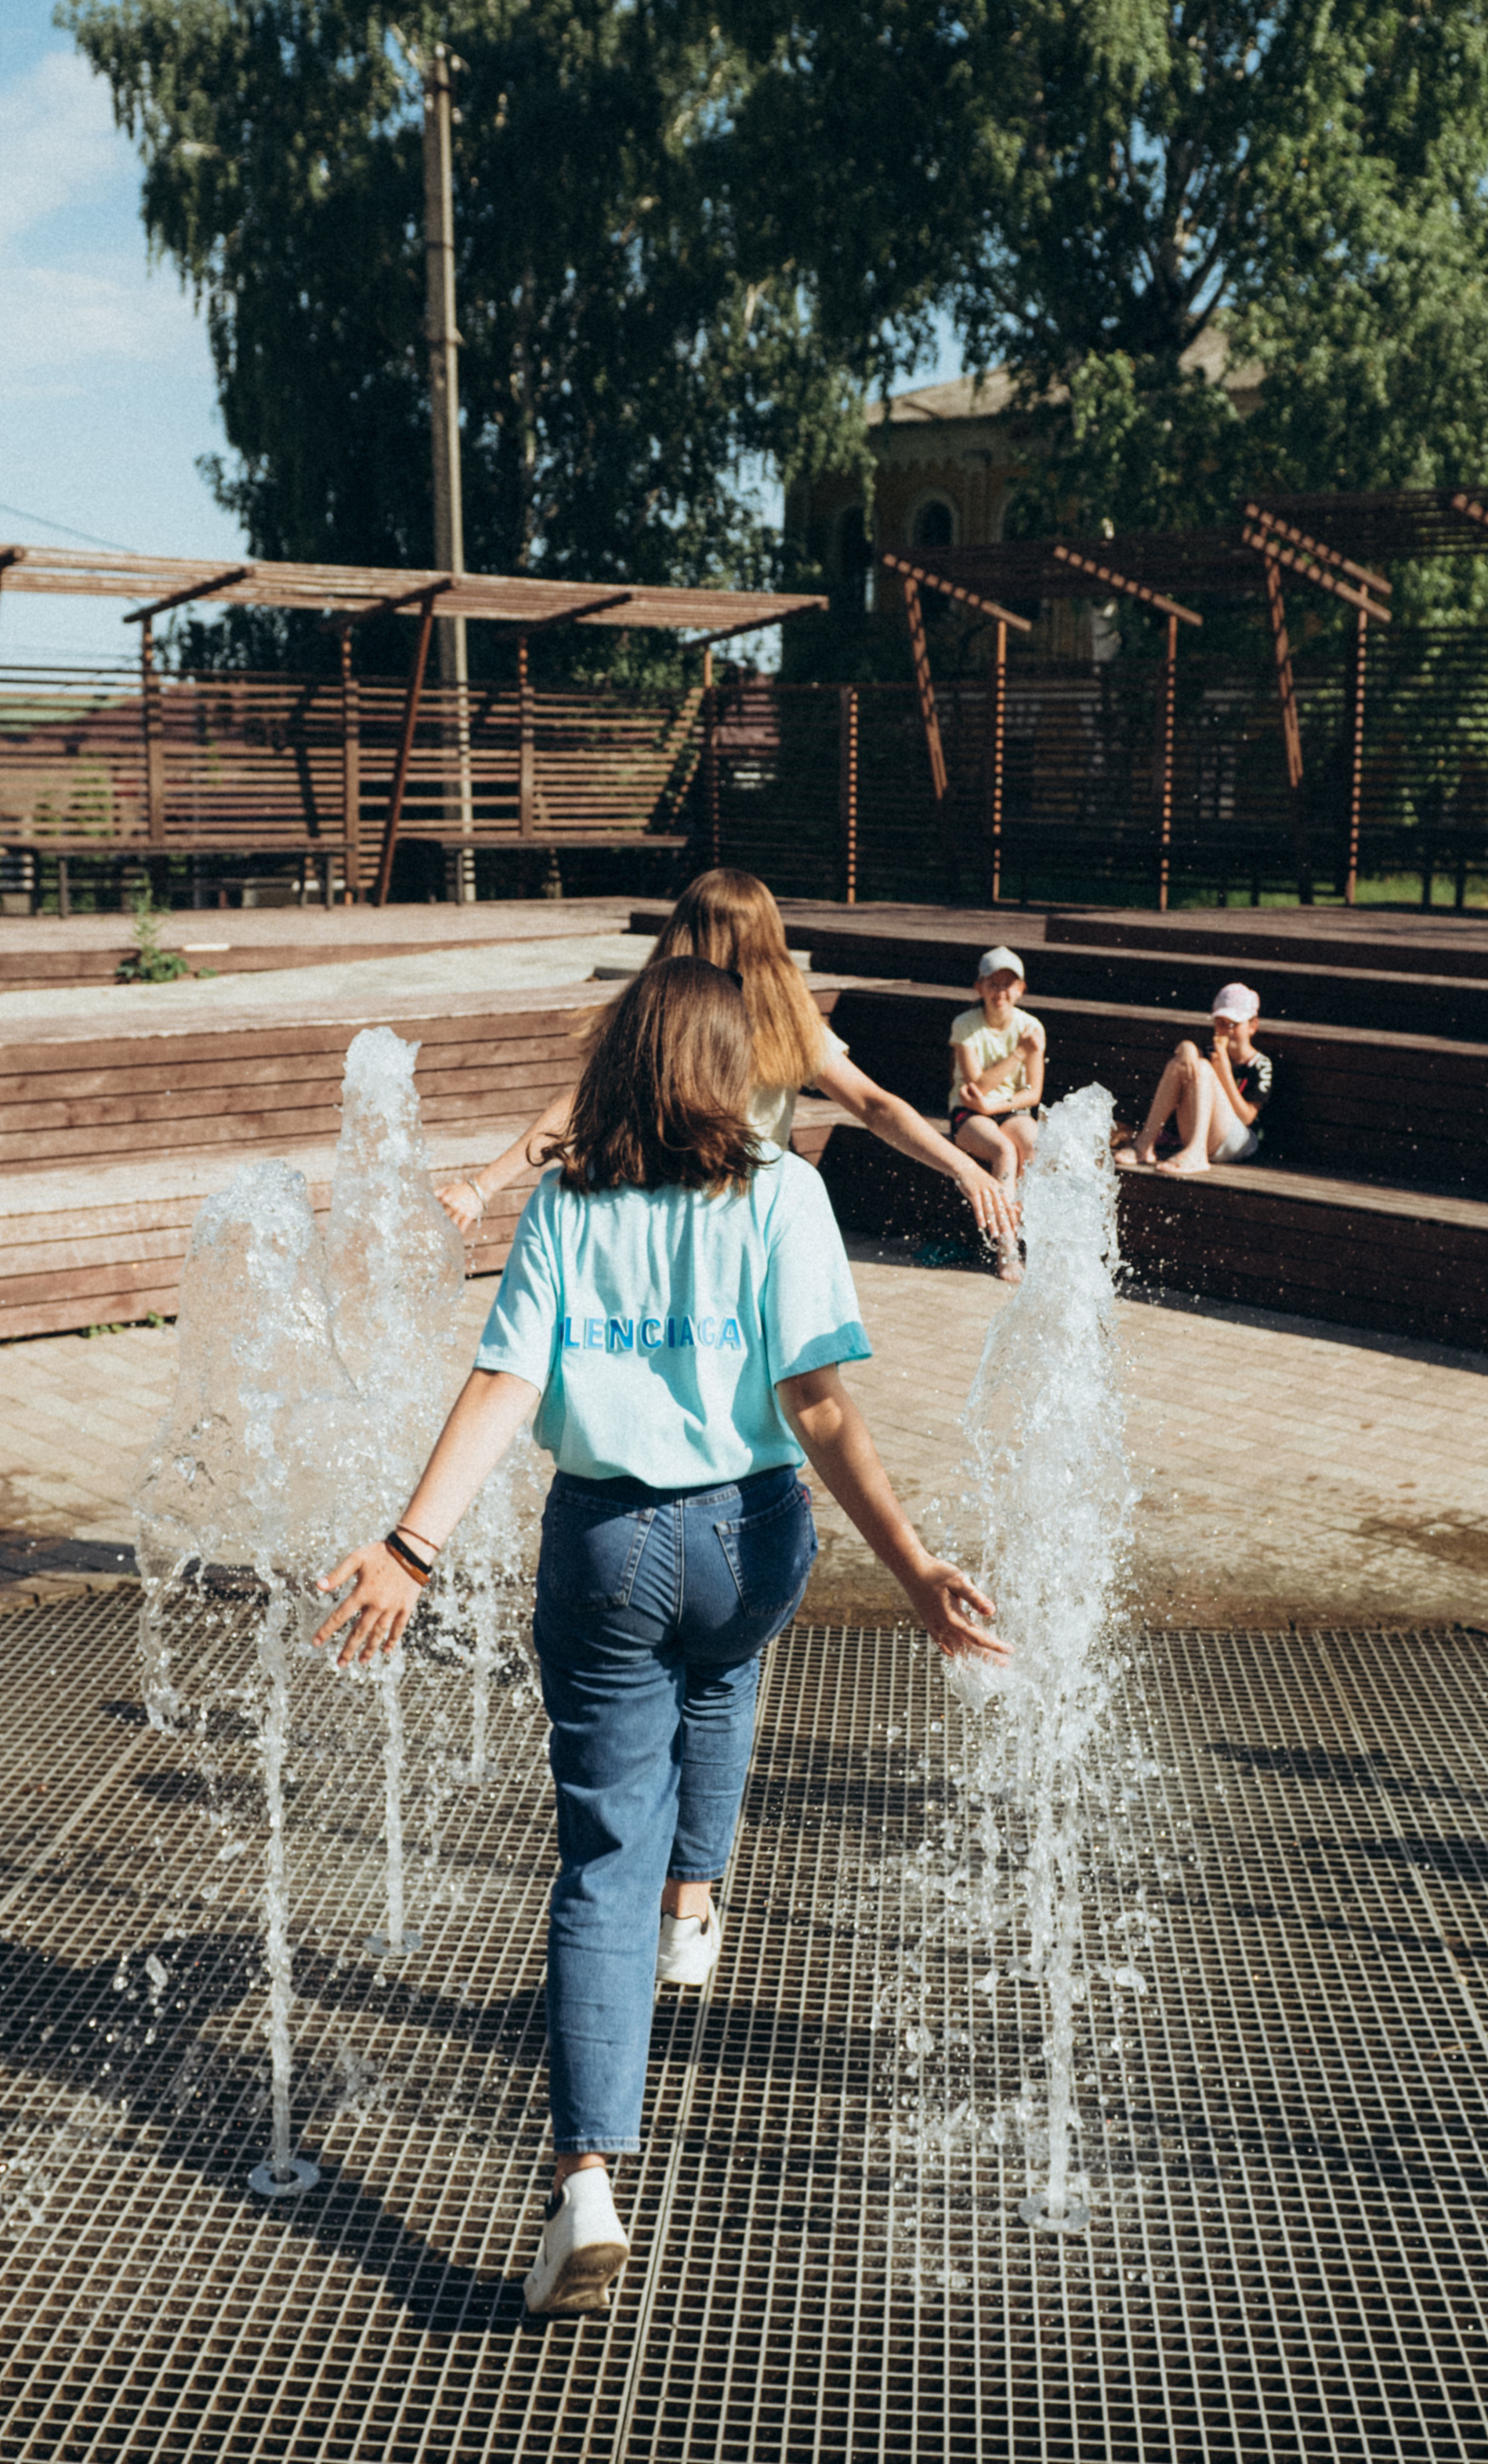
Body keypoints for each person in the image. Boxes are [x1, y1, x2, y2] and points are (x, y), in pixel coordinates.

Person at [317, 958, 1008, 2321]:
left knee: (599, 1858)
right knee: (725, 1671)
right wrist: (916, 1565)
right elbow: (817, 1408)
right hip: (752, 1533)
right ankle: (703, 1898)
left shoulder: (573, 1201)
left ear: (631, 1060)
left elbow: (509, 1380)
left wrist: (412, 1547)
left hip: (603, 1544)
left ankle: (585, 2179)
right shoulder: (785, 1193)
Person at [435, 868, 1019, 1263]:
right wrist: (962, 1170)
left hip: (680, 1222)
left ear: (683, 931)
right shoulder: (717, 1015)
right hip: (742, 1221)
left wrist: (482, 1187)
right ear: (766, 938)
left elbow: (579, 1106)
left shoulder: (725, 1016)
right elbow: (874, 1104)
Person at [946, 946, 1048, 1279]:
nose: (1000, 992)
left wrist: (993, 1107)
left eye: (1008, 984)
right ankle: (1007, 1249)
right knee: (1004, 1151)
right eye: (993, 983)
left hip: (1009, 1110)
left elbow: (1033, 1093)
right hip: (969, 1115)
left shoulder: (1032, 1026)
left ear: (1020, 990)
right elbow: (977, 1087)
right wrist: (1020, 1052)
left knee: (1033, 1147)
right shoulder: (966, 1026)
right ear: (980, 988)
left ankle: (1035, 1240)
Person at [1116, 982, 1273, 1172]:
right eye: (1221, 1023)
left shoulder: (1260, 1064)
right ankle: (1145, 1145)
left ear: (1252, 1026)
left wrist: (1224, 1074)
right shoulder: (1209, 1053)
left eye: (1235, 1024)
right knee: (1181, 1062)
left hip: (1239, 1143)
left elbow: (1247, 1118)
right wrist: (1186, 1047)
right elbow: (1187, 1054)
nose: (1228, 1030)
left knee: (1203, 1067)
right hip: (1206, 1136)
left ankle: (1197, 1152)